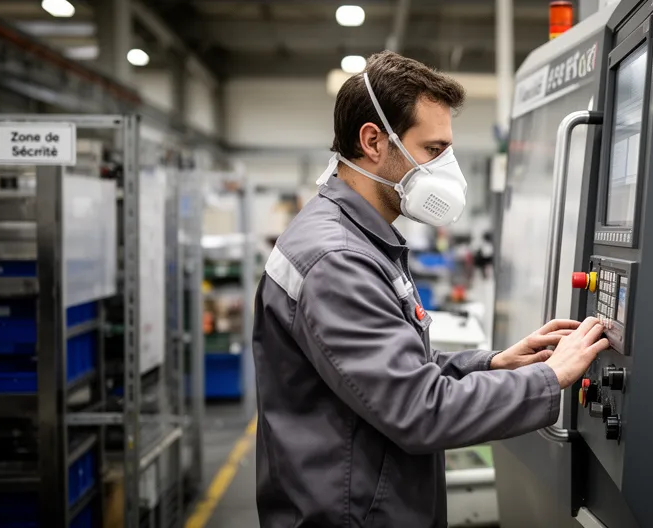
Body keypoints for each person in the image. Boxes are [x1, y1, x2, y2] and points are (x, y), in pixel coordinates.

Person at [252, 51, 609, 528]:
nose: (447, 171)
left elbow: (391, 368)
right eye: (433, 150)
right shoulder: (338, 260)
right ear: (373, 141)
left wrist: (492, 363)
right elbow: (419, 410)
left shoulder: (356, 237)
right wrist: (550, 378)